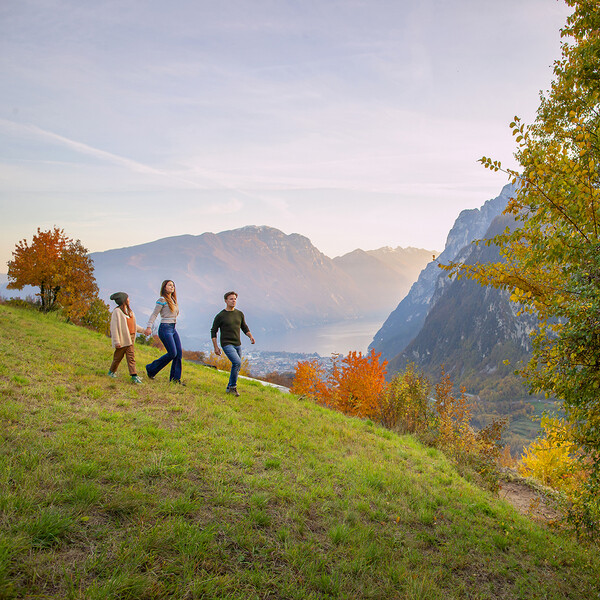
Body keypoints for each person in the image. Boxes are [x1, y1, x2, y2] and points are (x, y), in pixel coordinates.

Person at [211, 291, 255, 396]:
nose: (233, 300)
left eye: (235, 299)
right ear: (226, 301)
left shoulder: (239, 314)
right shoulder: (220, 316)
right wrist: (216, 347)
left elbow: (244, 327)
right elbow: (213, 331)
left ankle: (229, 387)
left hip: (237, 344)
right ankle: (232, 387)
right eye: (231, 299)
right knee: (237, 362)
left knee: (237, 366)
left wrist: (250, 336)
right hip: (226, 343)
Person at [144, 279, 184, 384]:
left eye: (173, 286)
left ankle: (175, 380)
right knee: (172, 353)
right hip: (165, 328)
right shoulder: (162, 299)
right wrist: (149, 327)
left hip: (173, 328)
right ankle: (151, 368)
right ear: (164, 287)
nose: (172, 287)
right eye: (169, 285)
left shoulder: (173, 300)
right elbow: (154, 314)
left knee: (178, 353)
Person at [108, 292, 145, 384]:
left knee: (125, 357)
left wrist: (143, 331)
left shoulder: (129, 311)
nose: (129, 299)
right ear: (123, 300)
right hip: (123, 339)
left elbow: (133, 325)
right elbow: (114, 327)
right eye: (127, 298)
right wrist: (116, 341)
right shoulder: (117, 312)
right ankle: (115, 372)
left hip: (130, 338)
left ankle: (131, 375)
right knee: (122, 357)